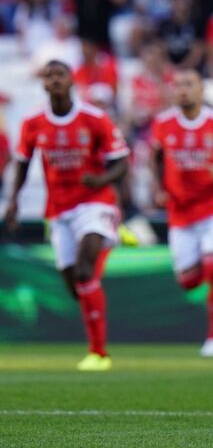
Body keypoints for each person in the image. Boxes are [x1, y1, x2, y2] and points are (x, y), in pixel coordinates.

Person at [4, 60, 130, 371]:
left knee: (86, 271)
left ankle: (98, 353)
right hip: (59, 210)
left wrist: (100, 180)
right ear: (44, 84)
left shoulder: (94, 118)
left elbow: (121, 162)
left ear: (72, 80)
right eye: (49, 76)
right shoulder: (33, 122)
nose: (54, 80)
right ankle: (112, 239)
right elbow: (23, 163)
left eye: (60, 75)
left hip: (95, 202)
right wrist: (14, 201)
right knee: (76, 285)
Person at [150, 68, 213, 357]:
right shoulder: (163, 123)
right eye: (178, 85)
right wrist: (159, 188)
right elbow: (155, 158)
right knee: (188, 281)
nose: (183, 90)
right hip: (181, 211)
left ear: (201, 89)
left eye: (189, 84)